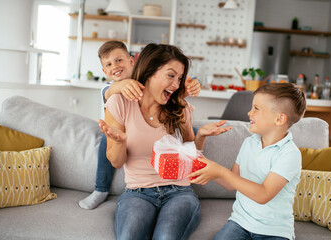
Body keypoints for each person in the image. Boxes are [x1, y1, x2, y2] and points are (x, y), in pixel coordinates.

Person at [99, 43, 232, 239]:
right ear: (150, 71)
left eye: (179, 78)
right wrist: (119, 142)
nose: (177, 84)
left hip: (179, 192)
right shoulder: (119, 103)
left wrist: (200, 136)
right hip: (138, 192)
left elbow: (191, 160)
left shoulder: (180, 107)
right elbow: (117, 162)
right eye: (171, 76)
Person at [79, 40, 201, 210]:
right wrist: (120, 85)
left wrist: (185, 90)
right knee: (107, 140)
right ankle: (101, 188)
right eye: (109, 64)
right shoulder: (113, 89)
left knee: (190, 131)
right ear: (104, 71)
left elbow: (169, 98)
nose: (115, 66)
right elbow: (109, 92)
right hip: (117, 131)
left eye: (119, 60)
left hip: (172, 177)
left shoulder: (148, 82)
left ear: (131, 61)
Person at [189, 83, 307, 240]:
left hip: (274, 231)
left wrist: (219, 170)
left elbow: (263, 194)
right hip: (240, 223)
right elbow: (231, 183)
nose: (249, 112)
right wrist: (205, 159)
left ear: (279, 119)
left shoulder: (289, 154)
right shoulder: (249, 143)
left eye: (256, 108)